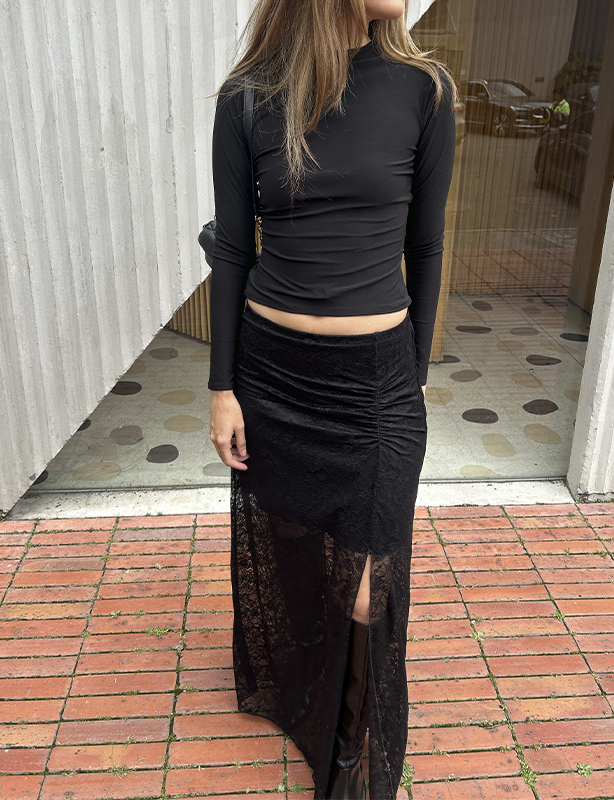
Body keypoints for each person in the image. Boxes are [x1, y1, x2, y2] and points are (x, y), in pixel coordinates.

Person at [207, 1, 457, 797]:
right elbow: (232, 250)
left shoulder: (424, 90)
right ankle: (304, 687)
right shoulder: (249, 97)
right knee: (293, 542)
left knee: (367, 581)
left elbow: (426, 243)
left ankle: (348, 753)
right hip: (274, 374)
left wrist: (415, 369)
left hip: (377, 383)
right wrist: (222, 387)